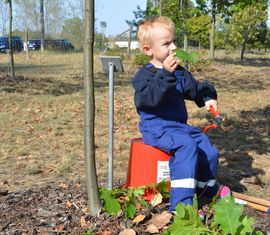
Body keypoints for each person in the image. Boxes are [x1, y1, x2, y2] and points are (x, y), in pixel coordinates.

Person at [132, 16, 230, 212]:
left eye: (174, 41)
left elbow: (194, 89)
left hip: (178, 126)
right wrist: (166, 75)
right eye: (167, 43)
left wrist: (207, 97)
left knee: (206, 146)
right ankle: (181, 207)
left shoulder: (179, 72)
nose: (174, 47)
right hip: (156, 127)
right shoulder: (144, 76)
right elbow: (148, 100)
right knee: (187, 147)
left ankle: (206, 190)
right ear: (148, 50)